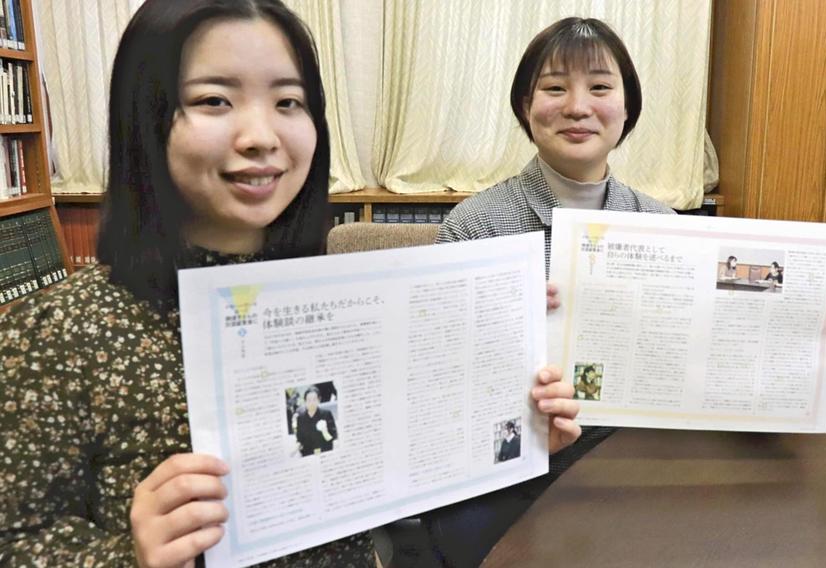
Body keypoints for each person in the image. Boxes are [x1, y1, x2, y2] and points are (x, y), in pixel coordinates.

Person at [0, 2, 581, 566]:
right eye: (214, 100)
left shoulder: (352, 306)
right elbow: (17, 537)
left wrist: (512, 436)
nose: (261, 135)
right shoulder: (57, 332)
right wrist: (130, 555)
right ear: (143, 117)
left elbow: (404, 467)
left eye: (288, 101)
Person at [430, 16, 826, 567]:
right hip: (521, 465)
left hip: (639, 461)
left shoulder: (662, 224)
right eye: (554, 88)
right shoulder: (474, 228)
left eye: (599, 87)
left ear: (626, 108)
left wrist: (817, 347)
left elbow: (716, 354)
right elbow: (442, 385)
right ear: (526, 106)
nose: (577, 106)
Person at [296, 386, 337, 456]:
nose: (311, 403)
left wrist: (325, 431)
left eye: (314, 399)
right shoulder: (300, 417)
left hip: (324, 452)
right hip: (308, 454)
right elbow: (300, 439)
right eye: (309, 400)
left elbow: (333, 437)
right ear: (305, 401)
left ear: (319, 400)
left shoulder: (326, 414)